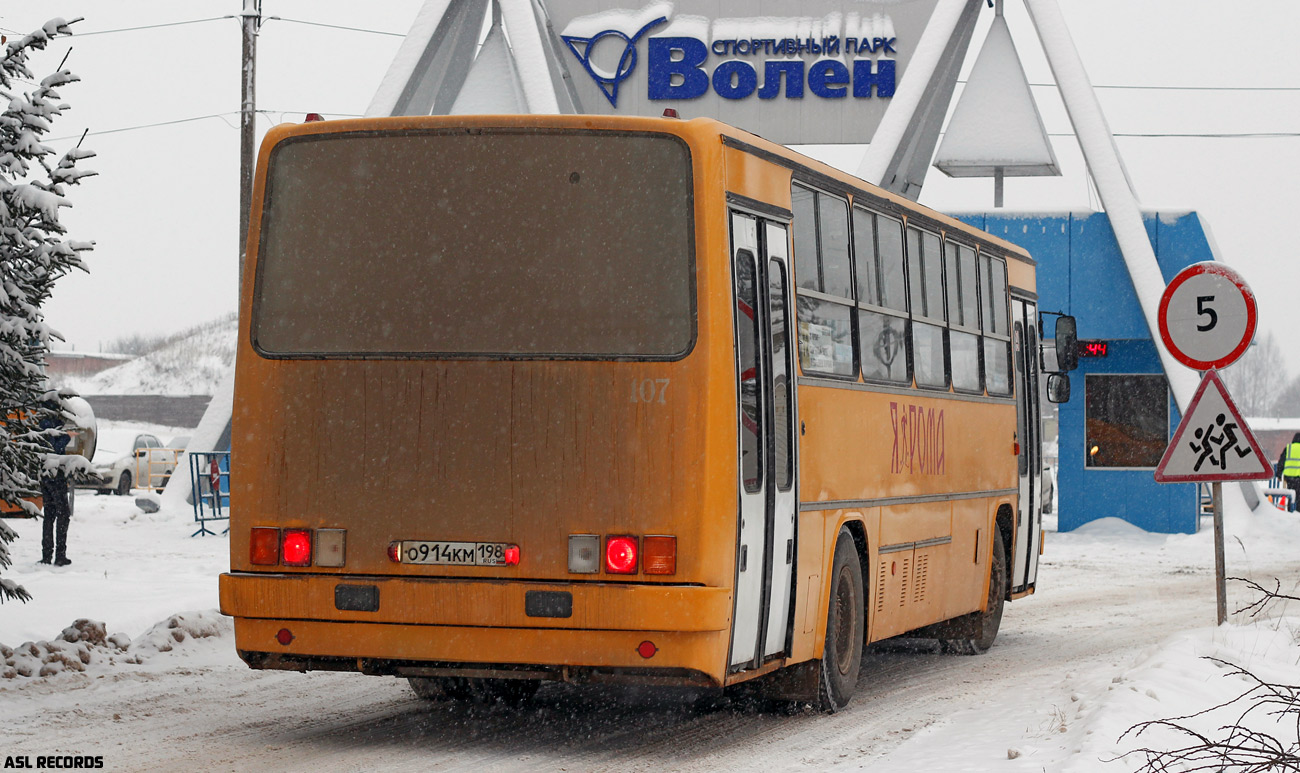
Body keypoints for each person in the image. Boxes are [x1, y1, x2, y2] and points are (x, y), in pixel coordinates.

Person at [38, 404, 72, 566]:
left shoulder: (40, 423)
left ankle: (46, 555)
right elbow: (55, 449)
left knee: (50, 516)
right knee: (63, 515)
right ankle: (60, 555)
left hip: (45, 476)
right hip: (55, 476)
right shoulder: (49, 425)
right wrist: (66, 437)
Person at [1277, 432, 1300, 514]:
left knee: (1291, 496)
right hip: (1299, 478)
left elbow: (1281, 462)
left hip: (1289, 477)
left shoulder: (1288, 448)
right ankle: (1298, 512)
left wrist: (1279, 474)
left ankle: (1290, 512)